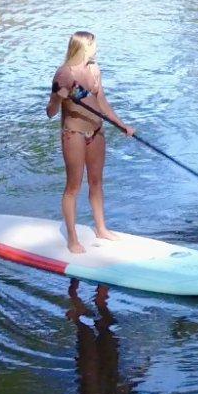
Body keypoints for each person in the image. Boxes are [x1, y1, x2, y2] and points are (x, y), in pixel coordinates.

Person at [45, 30, 134, 254]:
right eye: (94, 44)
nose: (97, 47)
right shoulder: (64, 73)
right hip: (73, 134)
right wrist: (58, 97)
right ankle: (72, 239)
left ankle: (101, 228)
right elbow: (50, 112)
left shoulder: (94, 69)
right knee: (73, 186)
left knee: (96, 182)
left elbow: (102, 102)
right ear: (84, 47)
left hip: (96, 131)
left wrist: (122, 125)